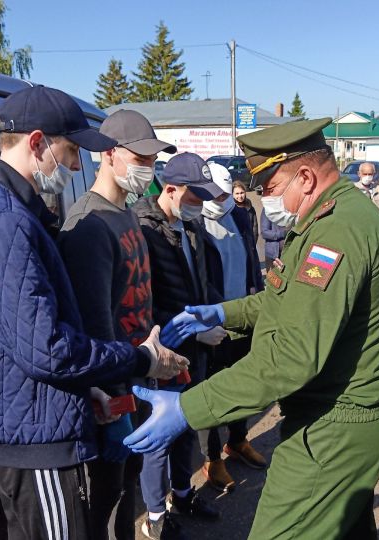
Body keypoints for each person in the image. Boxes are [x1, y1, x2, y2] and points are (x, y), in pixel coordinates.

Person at [127, 118, 379, 539]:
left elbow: (291, 356)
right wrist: (221, 313)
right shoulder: (328, 218)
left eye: (269, 188)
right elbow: (284, 299)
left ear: (305, 177)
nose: (265, 200)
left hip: (332, 429)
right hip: (335, 421)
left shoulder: (337, 231)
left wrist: (187, 409)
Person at [0, 86, 188, 540]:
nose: (76, 165)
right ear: (37, 143)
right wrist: (139, 361)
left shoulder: (13, 210)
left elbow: (31, 335)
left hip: (30, 414)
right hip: (30, 434)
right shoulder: (2, 221)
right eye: (71, 150)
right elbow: (48, 349)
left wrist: (84, 387)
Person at [57, 109, 177, 540]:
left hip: (138, 374)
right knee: (108, 505)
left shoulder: (125, 213)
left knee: (128, 495)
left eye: (152, 160)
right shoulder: (88, 225)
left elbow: (137, 297)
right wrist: (115, 398)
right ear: (109, 155)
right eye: (140, 158)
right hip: (113, 394)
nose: (149, 168)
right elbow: (92, 324)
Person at [132, 152, 224, 539]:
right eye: (194, 197)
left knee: (189, 423)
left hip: (194, 351)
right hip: (163, 354)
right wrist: (190, 331)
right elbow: (143, 301)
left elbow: (200, 283)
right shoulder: (143, 231)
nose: (200, 206)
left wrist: (213, 316)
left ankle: (183, 493)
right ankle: (154, 517)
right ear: (169, 189)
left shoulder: (192, 228)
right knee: (159, 434)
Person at [199, 162, 266, 492]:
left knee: (244, 386)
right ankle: (212, 457)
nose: (223, 199)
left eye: (227, 193)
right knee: (212, 391)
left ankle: (237, 440)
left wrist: (257, 287)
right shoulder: (196, 221)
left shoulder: (239, 215)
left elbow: (252, 258)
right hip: (214, 321)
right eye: (217, 193)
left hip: (244, 317)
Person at [260, 206, 288, 272]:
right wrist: (283, 234)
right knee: (273, 280)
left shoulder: (292, 205)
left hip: (289, 252)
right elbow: (264, 232)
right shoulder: (267, 209)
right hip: (274, 254)